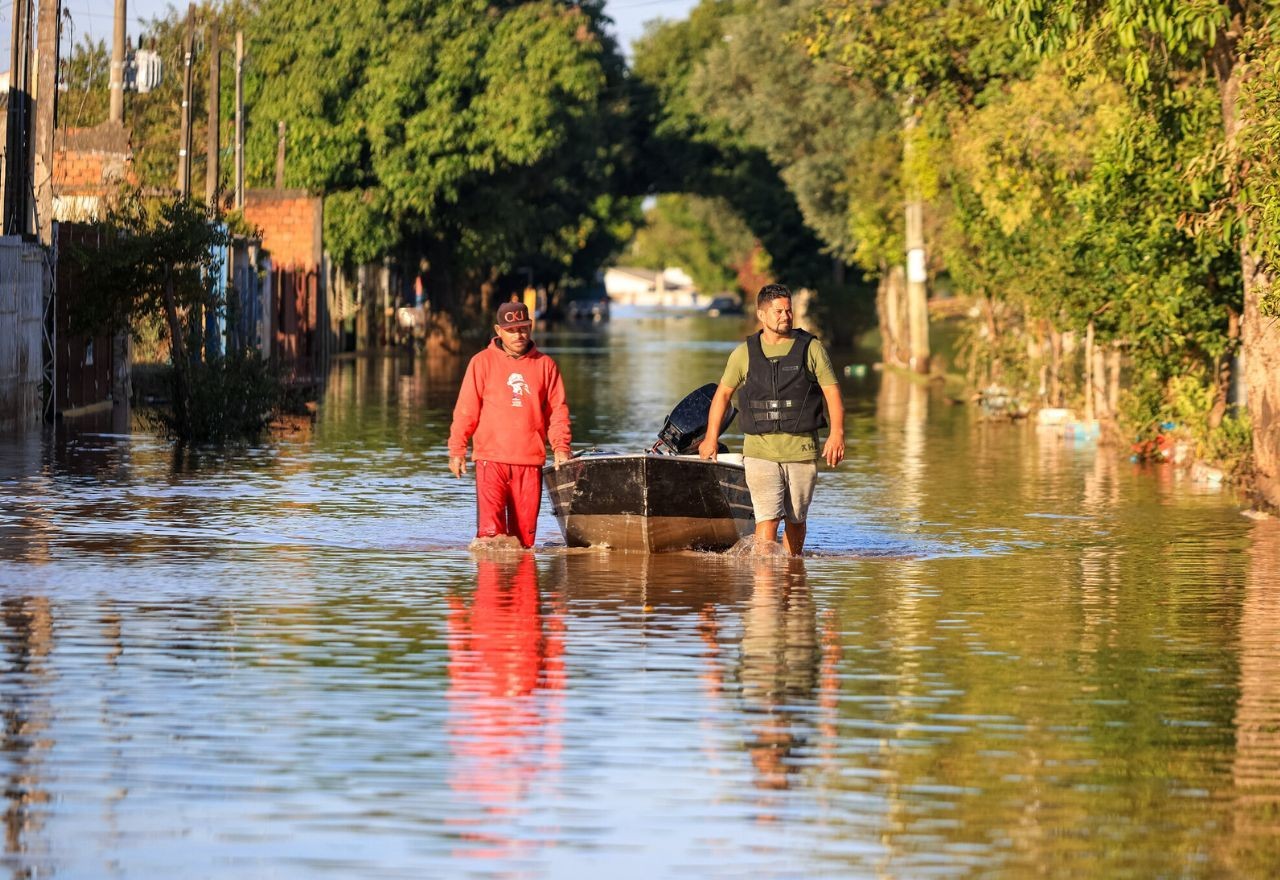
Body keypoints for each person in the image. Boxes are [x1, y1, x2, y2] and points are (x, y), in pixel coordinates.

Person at [698, 284, 845, 555]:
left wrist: (836, 434)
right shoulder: (743, 354)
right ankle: (765, 587)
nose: (785, 316)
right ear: (762, 315)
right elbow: (722, 396)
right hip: (759, 451)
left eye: (789, 310)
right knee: (767, 517)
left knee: (796, 520)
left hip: (801, 451)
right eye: (778, 311)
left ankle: (791, 574)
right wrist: (710, 438)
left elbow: (832, 392)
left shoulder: (811, 349)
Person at [448, 301, 572, 548]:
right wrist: (457, 450)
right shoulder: (481, 362)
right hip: (490, 461)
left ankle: (523, 585)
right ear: (499, 330)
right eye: (512, 329)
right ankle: (490, 584)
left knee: (524, 542)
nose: (519, 334)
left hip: (530, 463)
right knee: (489, 539)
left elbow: (557, 412)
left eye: (524, 328)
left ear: (531, 327)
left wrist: (561, 447)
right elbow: (466, 410)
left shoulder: (545, 365)